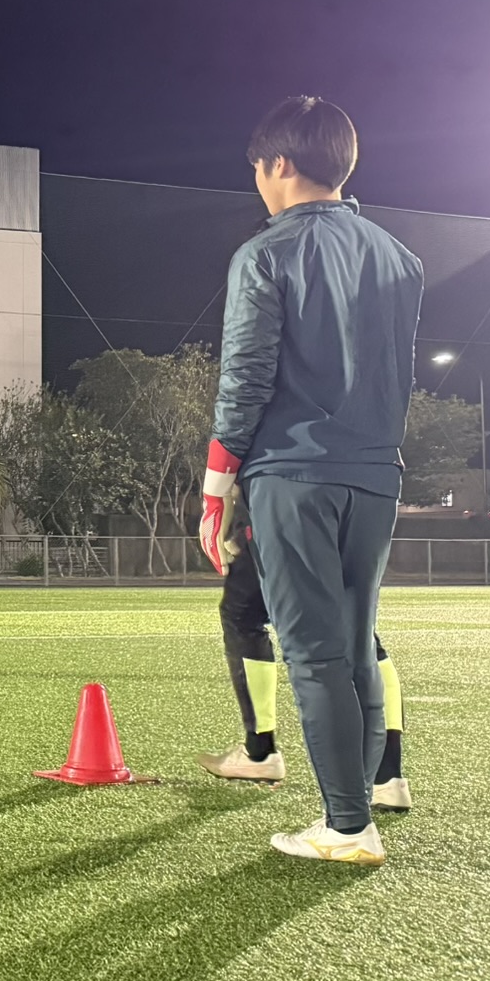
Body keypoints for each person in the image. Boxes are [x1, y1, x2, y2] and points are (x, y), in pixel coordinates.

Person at [201, 95, 422, 865]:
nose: (260, 184)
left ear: (280, 164)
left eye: (259, 170)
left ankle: (348, 826)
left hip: (293, 473)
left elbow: (247, 377)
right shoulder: (399, 257)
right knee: (356, 646)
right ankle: (361, 806)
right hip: (376, 475)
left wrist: (216, 484)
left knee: (314, 653)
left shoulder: (266, 253)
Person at [197, 510, 413, 811]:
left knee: (241, 615)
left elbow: (226, 479)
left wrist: (221, 515)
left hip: (288, 509)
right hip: (360, 505)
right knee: (358, 631)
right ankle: (388, 777)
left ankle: (259, 751)